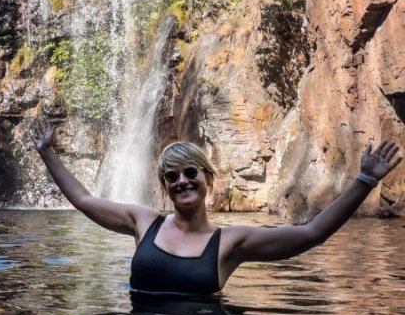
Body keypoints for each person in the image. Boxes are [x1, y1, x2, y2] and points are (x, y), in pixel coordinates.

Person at [30, 121, 402, 295]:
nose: (181, 182)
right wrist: (47, 153)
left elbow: (311, 234)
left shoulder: (230, 243)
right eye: (171, 177)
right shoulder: (144, 222)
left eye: (190, 172)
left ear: (208, 178)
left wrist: (365, 181)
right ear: (165, 186)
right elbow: (83, 200)